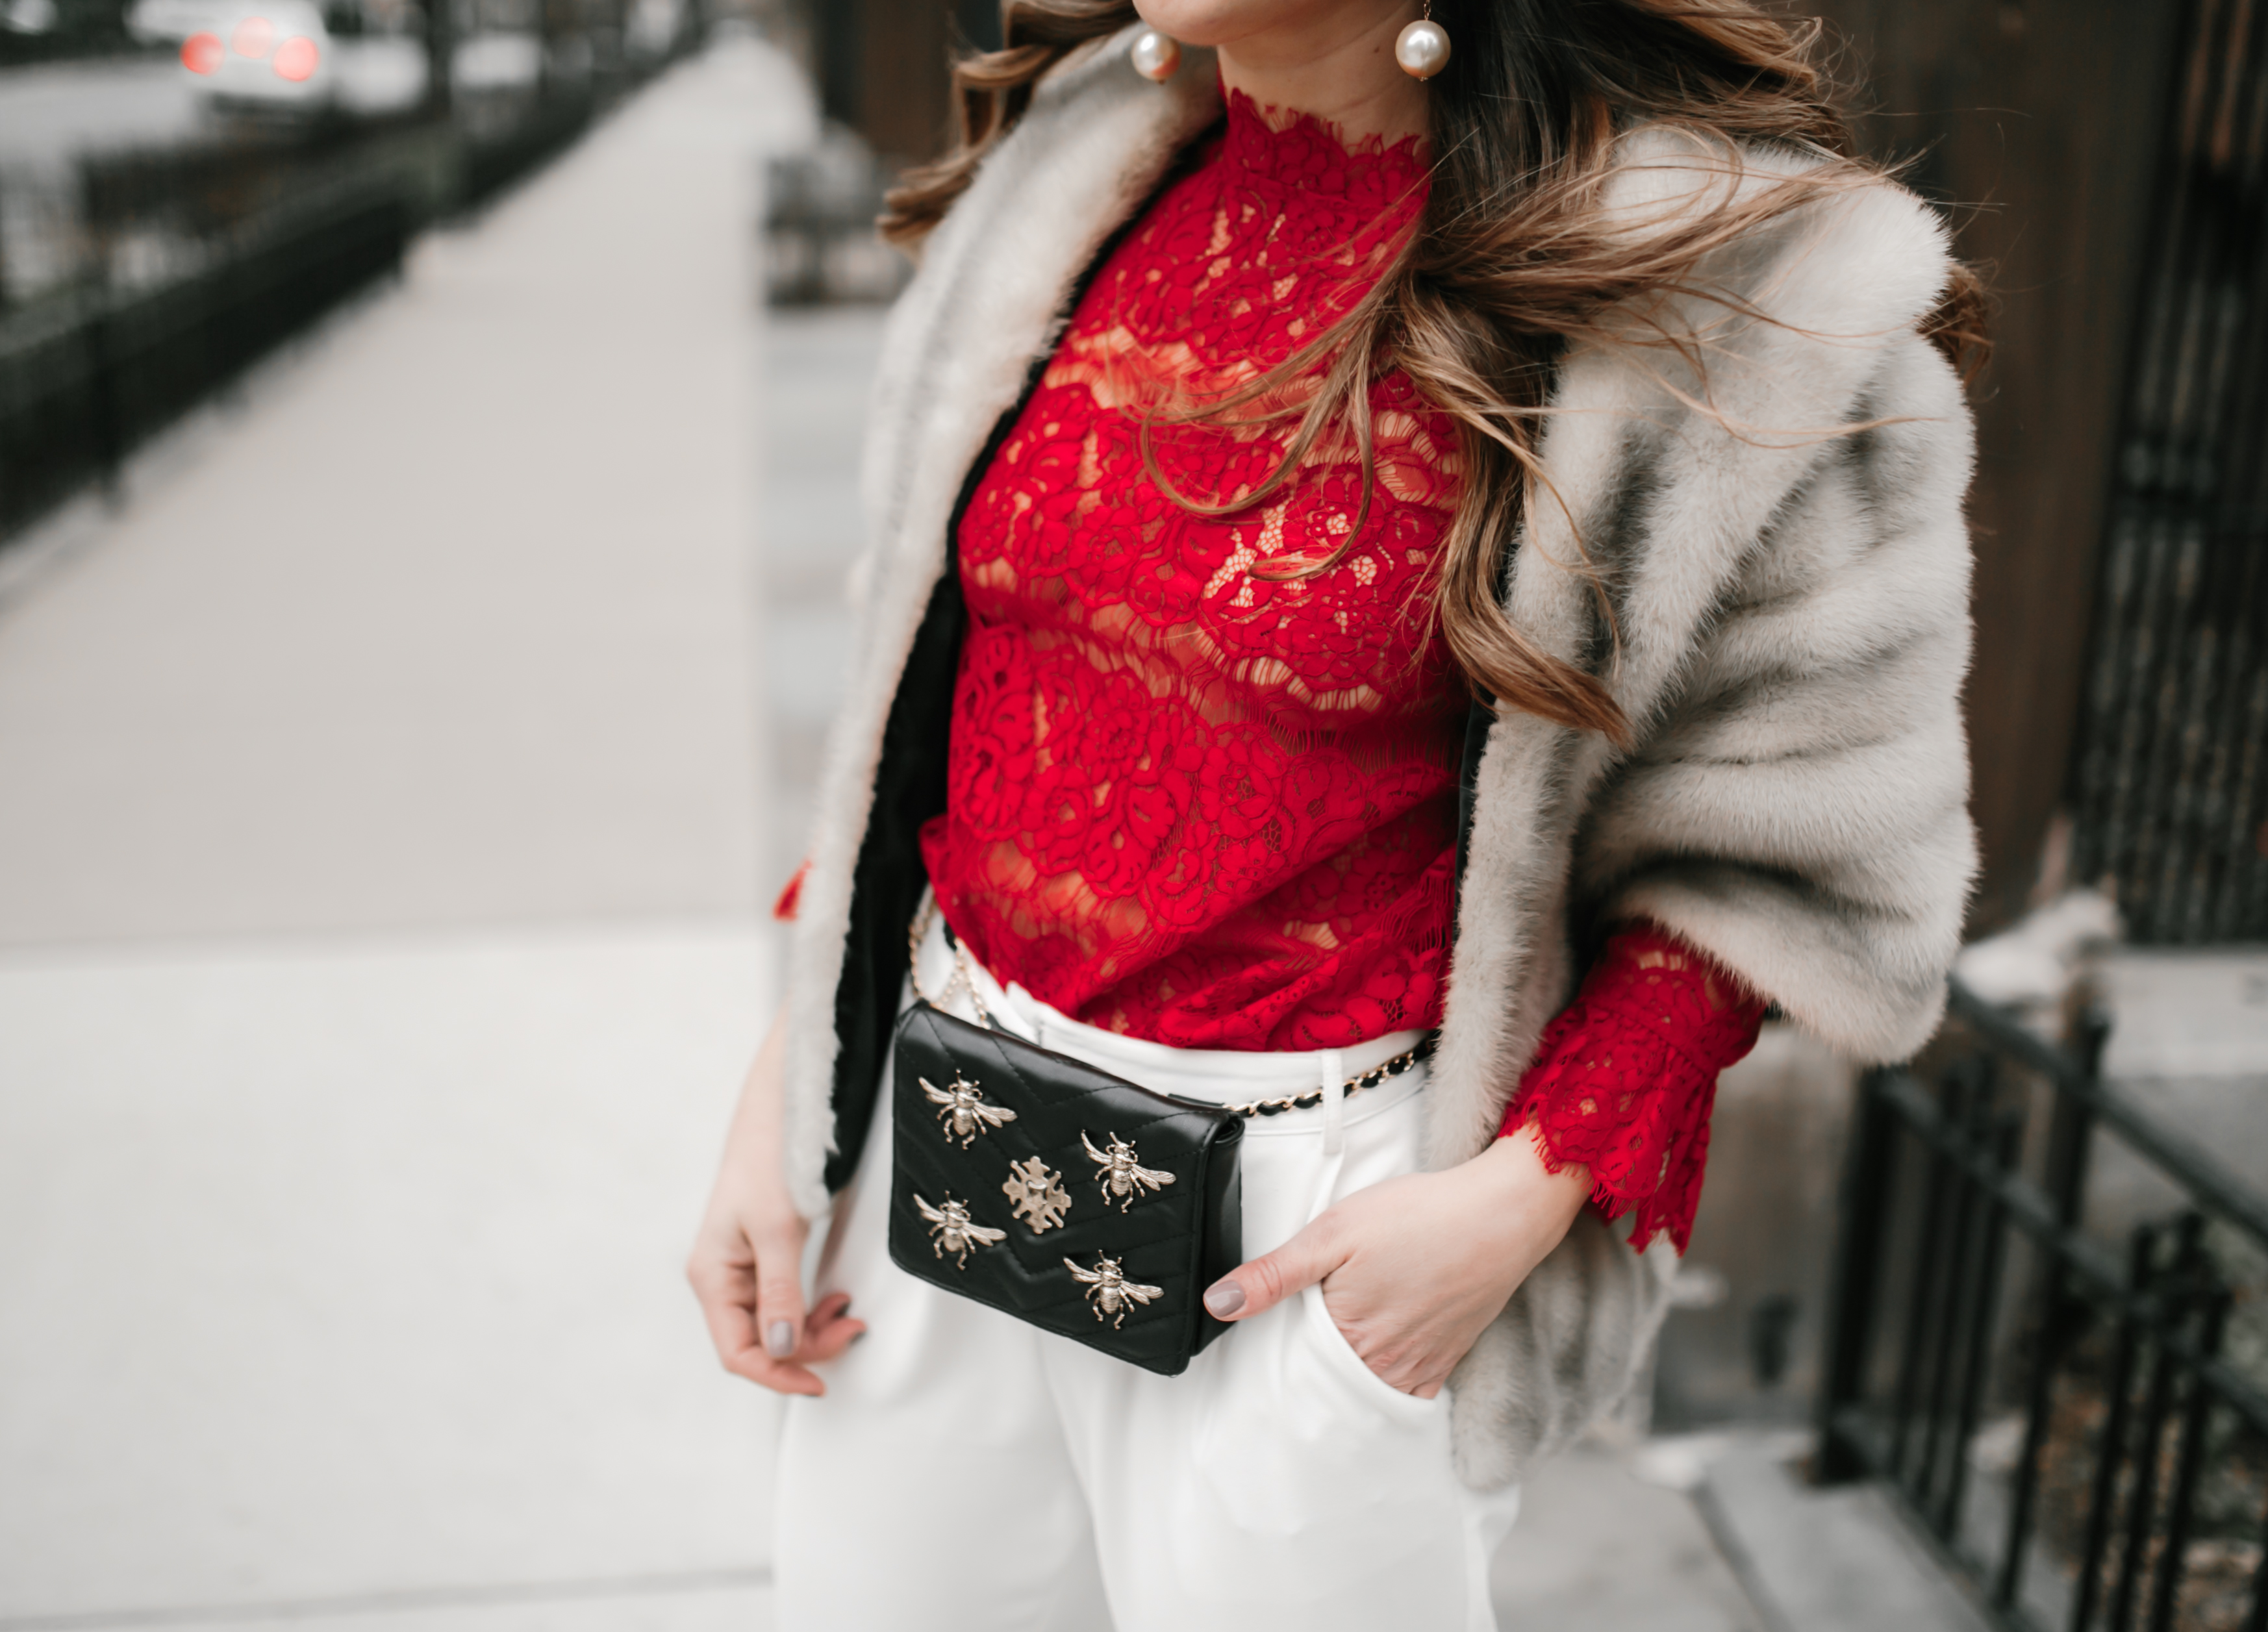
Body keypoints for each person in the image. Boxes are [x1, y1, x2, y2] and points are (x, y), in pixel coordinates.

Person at [690, 1, 1983, 1626]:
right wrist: (787, 1078)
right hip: (936, 1160)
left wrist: (1502, 1213)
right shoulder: (1078, 172)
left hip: (1312, 1245)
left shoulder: (1741, 294)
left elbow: (1785, 861)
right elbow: (938, 695)